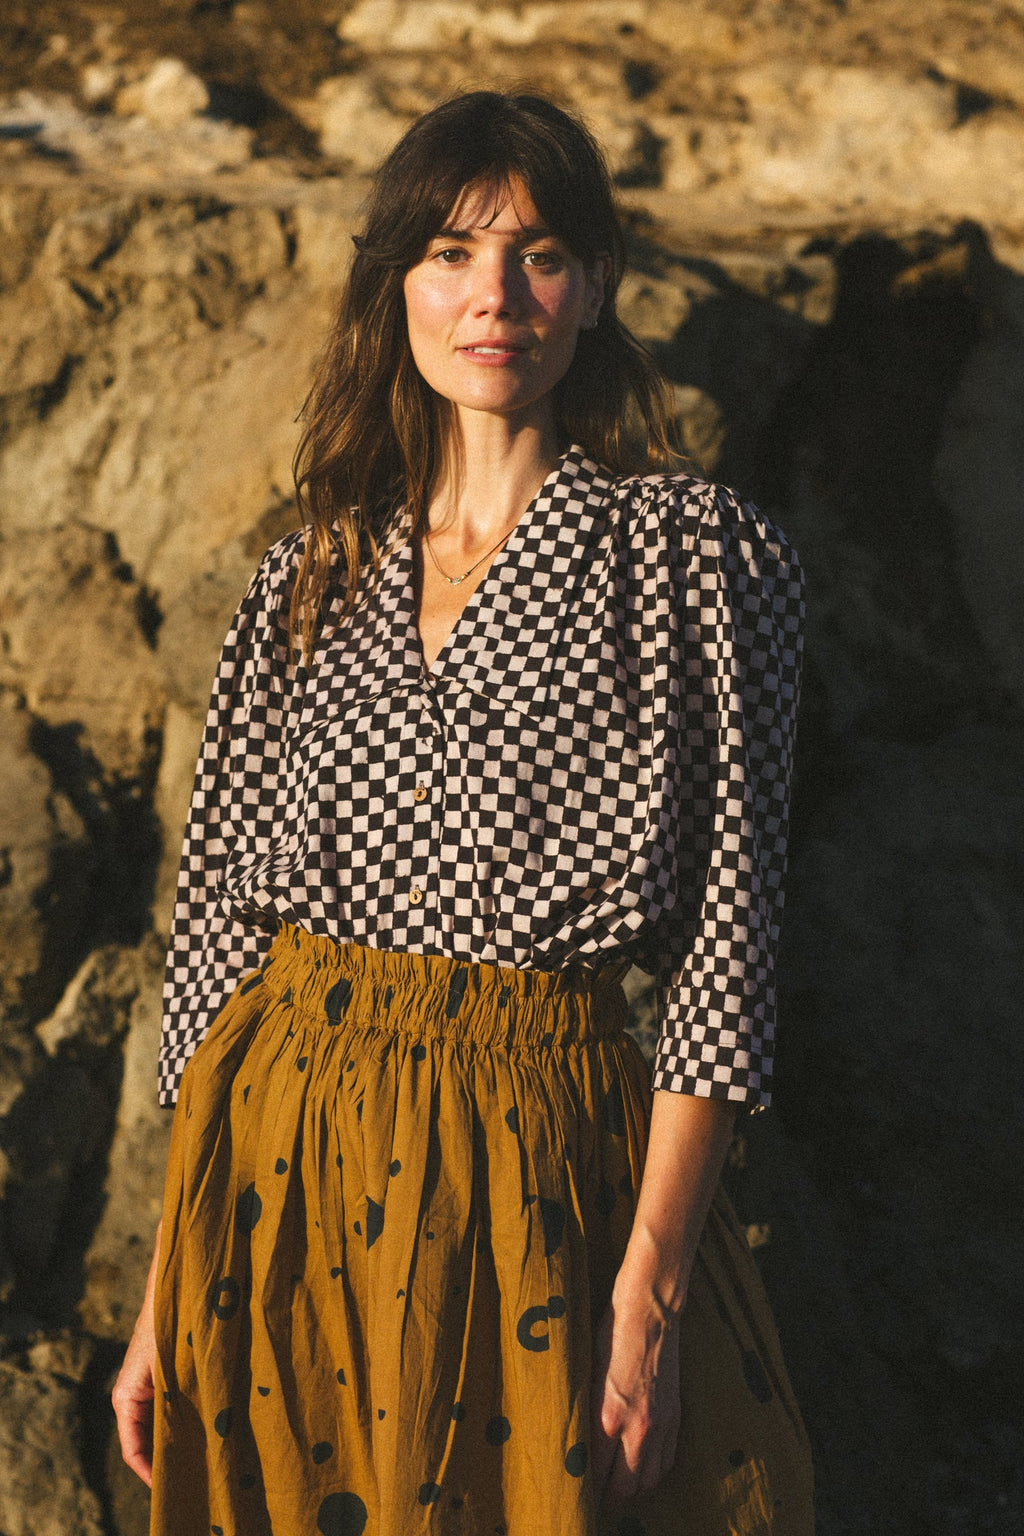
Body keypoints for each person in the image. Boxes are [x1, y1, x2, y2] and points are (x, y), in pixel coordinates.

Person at [113, 90, 813, 1536]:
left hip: (536, 1163)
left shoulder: (693, 560)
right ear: (398, 284)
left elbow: (724, 951)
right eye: (449, 251)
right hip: (279, 1160)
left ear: (599, 284)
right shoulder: (308, 571)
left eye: (541, 253)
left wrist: (652, 1293)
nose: (495, 297)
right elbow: (212, 952)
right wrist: (167, 1283)